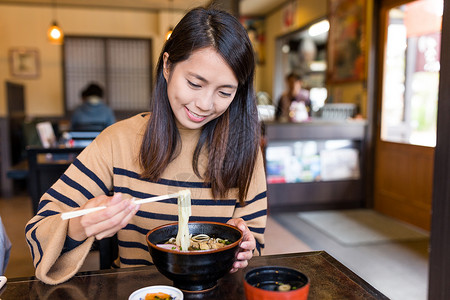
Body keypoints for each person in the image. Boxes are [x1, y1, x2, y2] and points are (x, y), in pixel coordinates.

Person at [25, 7, 267, 285]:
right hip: (138, 290)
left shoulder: (244, 149)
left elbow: (256, 245)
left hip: (218, 290)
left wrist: (244, 245)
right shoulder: (118, 140)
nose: (205, 104)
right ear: (167, 66)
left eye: (224, 92)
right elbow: (40, 228)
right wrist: (80, 224)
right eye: (194, 83)